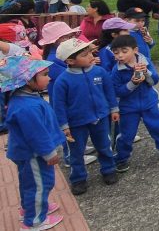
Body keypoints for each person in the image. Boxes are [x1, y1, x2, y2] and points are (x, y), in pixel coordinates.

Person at [3, 56, 65, 230]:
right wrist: (49, 153)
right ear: (28, 81)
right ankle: (35, 220)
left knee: (29, 182)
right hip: (34, 154)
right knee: (40, 185)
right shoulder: (27, 107)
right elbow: (36, 134)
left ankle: (29, 208)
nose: (49, 78)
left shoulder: (24, 97)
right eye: (45, 75)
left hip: (26, 152)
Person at [52, 38, 119, 195]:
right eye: (85, 54)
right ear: (70, 60)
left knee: (104, 145)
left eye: (90, 52)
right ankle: (78, 179)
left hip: (101, 118)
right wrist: (64, 126)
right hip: (77, 123)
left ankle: (108, 169)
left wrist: (114, 109)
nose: (90, 56)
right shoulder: (62, 81)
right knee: (76, 152)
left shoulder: (99, 71)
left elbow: (109, 92)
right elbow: (58, 105)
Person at [109, 35, 159, 173]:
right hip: (128, 108)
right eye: (116, 52)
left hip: (149, 103)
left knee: (157, 127)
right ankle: (121, 158)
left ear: (135, 50)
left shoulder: (145, 61)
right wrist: (132, 83)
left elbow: (155, 80)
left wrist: (146, 72)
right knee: (126, 134)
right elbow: (117, 91)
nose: (120, 55)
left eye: (124, 51)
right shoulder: (117, 70)